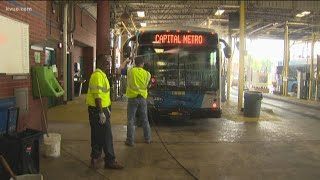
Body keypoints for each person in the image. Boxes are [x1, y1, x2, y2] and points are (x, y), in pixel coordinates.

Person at [86, 54, 124, 169]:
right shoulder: (98, 75)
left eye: (108, 61)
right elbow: (97, 96)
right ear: (98, 62)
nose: (108, 63)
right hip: (98, 110)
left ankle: (95, 156)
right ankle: (110, 161)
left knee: (97, 134)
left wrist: (106, 108)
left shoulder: (102, 75)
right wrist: (101, 112)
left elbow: (103, 95)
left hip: (101, 109)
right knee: (107, 135)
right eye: (105, 61)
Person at [119, 56, 152, 146]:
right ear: (142, 64)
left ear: (135, 63)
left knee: (131, 119)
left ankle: (130, 140)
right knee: (145, 119)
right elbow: (148, 86)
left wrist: (126, 61)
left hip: (132, 99)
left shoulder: (130, 71)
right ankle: (148, 138)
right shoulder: (147, 74)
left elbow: (120, 69)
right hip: (142, 99)